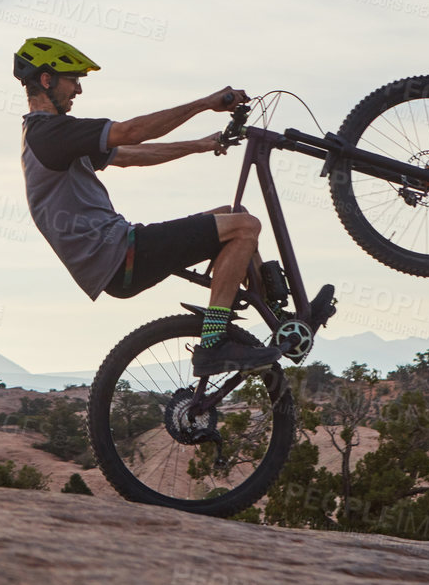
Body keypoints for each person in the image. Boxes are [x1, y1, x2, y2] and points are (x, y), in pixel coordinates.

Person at [14, 37, 281, 375]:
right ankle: (214, 344)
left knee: (234, 216)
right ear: (47, 80)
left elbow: (131, 156)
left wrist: (199, 145)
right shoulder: (51, 133)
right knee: (246, 228)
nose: (79, 89)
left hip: (121, 253)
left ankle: (278, 316)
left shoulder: (50, 137)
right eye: (73, 79)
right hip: (121, 255)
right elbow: (131, 132)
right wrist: (203, 103)